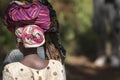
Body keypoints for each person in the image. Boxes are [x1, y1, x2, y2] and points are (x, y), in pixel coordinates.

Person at [93, 0, 120, 67]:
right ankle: (102, 54)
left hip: (113, 2)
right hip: (99, 1)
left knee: (114, 27)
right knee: (100, 26)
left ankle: (115, 55)